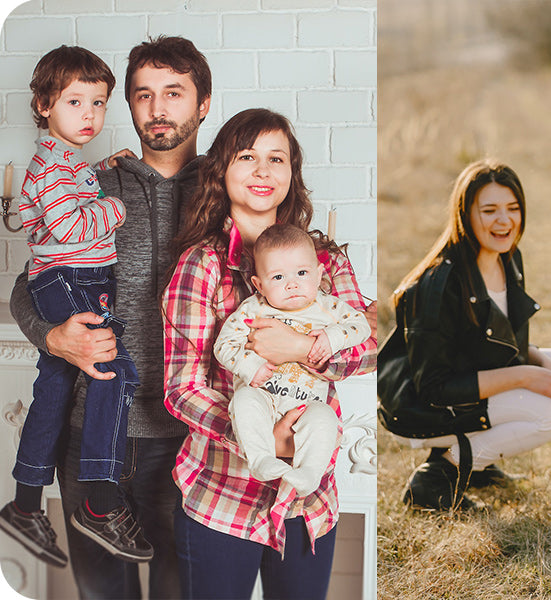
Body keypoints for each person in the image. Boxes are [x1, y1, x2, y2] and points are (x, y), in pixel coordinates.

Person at [10, 35, 212, 597]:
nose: (158, 108)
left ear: (204, 103)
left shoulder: (228, 190)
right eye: (143, 95)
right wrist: (53, 337)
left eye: (174, 93)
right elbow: (31, 286)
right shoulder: (89, 181)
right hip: (92, 430)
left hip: (188, 438)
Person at [163, 108, 377, 599]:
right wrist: (265, 438)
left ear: (291, 174)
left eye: (276, 158)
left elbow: (368, 349)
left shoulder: (324, 260)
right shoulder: (201, 264)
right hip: (222, 492)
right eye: (247, 156)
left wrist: (303, 347)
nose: (263, 170)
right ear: (222, 171)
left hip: (309, 498)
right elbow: (181, 388)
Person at [0, 45, 152, 568]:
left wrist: (100, 173)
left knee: (56, 387)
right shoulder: (51, 167)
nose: (89, 114)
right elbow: (69, 226)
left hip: (70, 277)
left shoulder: (67, 163)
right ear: (44, 104)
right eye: (75, 102)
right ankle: (99, 502)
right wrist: (115, 205)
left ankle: (24, 504)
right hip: (69, 280)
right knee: (113, 373)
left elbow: (65, 201)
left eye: (99, 103)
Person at [377, 159, 551, 511]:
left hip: (468, 385)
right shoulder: (438, 285)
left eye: (512, 209)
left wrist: (536, 359)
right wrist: (526, 375)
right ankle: (439, 475)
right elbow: (433, 387)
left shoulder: (507, 258)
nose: (504, 220)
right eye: (490, 210)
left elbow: (494, 341)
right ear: (466, 215)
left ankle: (478, 466)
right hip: (422, 406)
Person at [213, 223, 370, 496]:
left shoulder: (328, 306)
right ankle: (261, 458)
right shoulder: (253, 309)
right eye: (278, 278)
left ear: (319, 274)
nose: (292, 284)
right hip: (263, 398)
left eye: (301, 273)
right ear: (258, 285)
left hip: (306, 405)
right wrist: (250, 367)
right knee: (244, 401)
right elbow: (224, 345)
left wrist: (331, 338)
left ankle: (309, 473)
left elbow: (362, 327)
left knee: (325, 419)